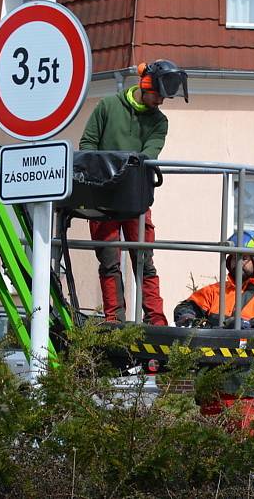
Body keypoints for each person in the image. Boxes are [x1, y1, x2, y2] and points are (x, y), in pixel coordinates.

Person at [79, 60, 188, 326]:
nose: (161, 101)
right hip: (102, 200)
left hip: (135, 199)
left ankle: (155, 320)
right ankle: (114, 319)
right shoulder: (107, 107)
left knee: (144, 262)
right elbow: (87, 145)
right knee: (109, 263)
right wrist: (102, 174)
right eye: (159, 94)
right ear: (146, 84)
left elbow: (148, 155)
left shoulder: (159, 123)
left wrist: (124, 167)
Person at [173, 230, 254, 430]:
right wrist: (188, 319)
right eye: (235, 257)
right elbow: (186, 308)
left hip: (246, 386)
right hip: (211, 383)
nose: (239, 262)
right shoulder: (214, 292)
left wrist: (251, 326)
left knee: (241, 447)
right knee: (208, 448)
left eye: (245, 257)